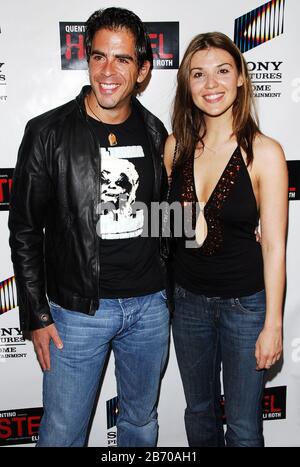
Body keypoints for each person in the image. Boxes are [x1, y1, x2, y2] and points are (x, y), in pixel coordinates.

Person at [8, 7, 169, 447]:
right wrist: (37, 314)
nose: (108, 71)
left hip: (149, 308)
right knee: (62, 434)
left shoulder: (156, 133)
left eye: (122, 59)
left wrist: (230, 232)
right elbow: (24, 229)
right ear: (87, 59)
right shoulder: (48, 133)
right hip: (77, 314)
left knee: (140, 424)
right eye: (99, 57)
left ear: (143, 69)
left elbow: (162, 216)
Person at [164, 32, 288, 447]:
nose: (211, 84)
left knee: (243, 425)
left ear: (240, 79)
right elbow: (171, 228)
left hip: (244, 306)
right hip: (187, 303)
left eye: (222, 71)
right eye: (198, 74)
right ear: (187, 85)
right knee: (198, 413)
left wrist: (273, 323)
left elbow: (274, 246)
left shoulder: (264, 153)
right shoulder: (174, 147)